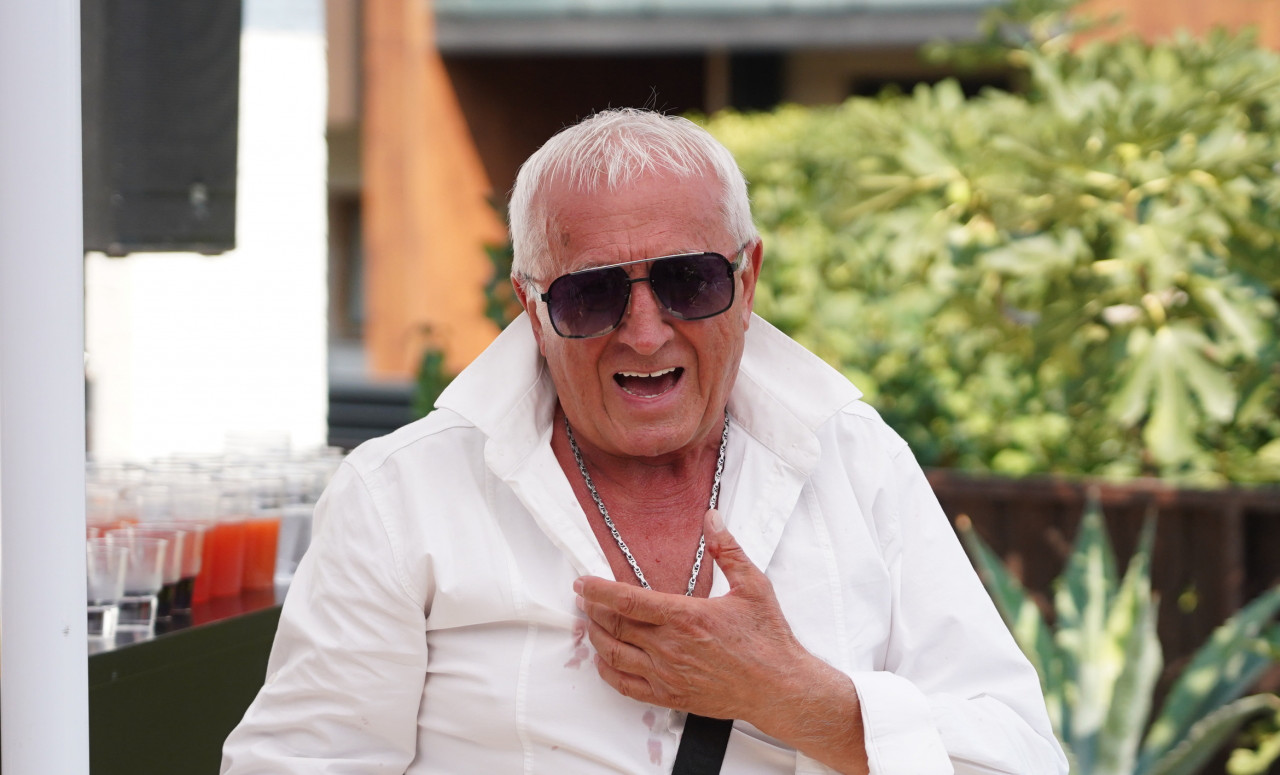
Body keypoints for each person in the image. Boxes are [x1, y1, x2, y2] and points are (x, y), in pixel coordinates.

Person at [221, 108, 1068, 774]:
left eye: (688, 280)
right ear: (532, 308)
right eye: (591, 296)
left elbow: (1018, 755)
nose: (645, 331)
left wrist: (797, 699)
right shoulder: (400, 494)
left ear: (748, 278)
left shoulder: (856, 459)